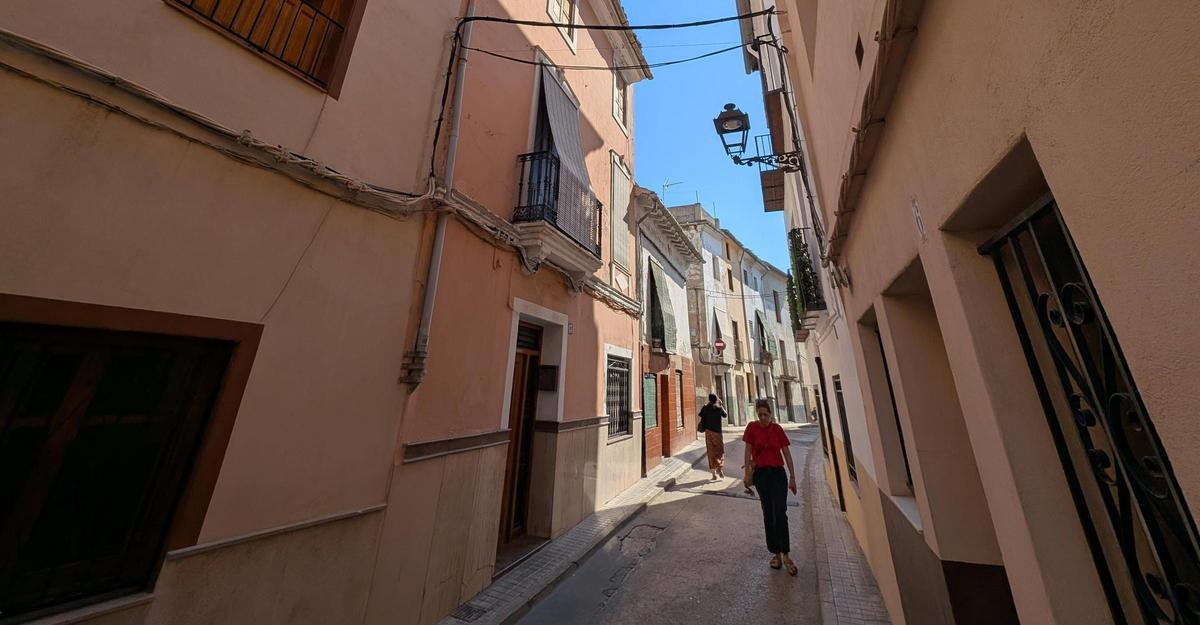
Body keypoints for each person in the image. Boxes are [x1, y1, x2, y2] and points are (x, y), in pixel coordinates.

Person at [743, 398, 798, 576]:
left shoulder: (778, 430)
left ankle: (786, 554)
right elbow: (747, 450)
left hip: (777, 474)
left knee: (780, 513)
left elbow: (786, 453)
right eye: (760, 415)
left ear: (770, 414)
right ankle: (776, 554)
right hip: (761, 475)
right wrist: (747, 475)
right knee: (768, 513)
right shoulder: (752, 428)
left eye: (765, 415)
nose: (763, 418)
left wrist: (792, 476)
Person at [697, 394, 727, 480]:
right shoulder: (718, 408)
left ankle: (713, 474)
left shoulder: (705, 408)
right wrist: (721, 405)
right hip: (717, 433)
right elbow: (725, 415)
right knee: (719, 451)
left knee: (711, 452)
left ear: (709, 399)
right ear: (716, 400)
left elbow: (701, 416)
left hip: (708, 433)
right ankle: (720, 468)